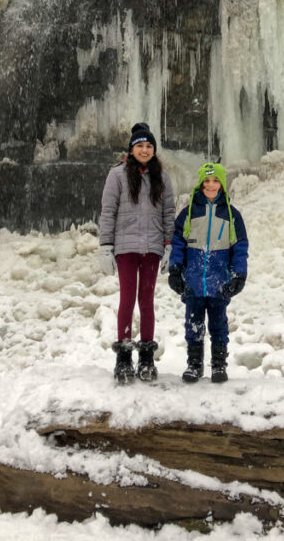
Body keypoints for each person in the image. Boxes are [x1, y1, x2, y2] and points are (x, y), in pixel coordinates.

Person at [99, 122, 175, 383]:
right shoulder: (117, 175)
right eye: (140, 145)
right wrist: (105, 246)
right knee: (127, 299)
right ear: (131, 149)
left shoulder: (162, 177)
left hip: (152, 248)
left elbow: (168, 213)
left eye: (149, 146)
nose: (145, 150)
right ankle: (123, 358)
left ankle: (146, 357)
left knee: (147, 301)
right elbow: (108, 212)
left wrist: (169, 244)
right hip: (126, 248)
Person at [168, 161, 248, 384]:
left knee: (218, 325)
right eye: (207, 181)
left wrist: (239, 275)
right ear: (200, 184)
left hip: (219, 281)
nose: (211, 185)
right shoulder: (189, 213)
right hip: (193, 281)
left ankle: (219, 364)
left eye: (215, 181)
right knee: (193, 324)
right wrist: (175, 269)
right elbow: (178, 242)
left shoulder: (232, 215)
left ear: (221, 184)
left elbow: (240, 247)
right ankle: (194, 364)